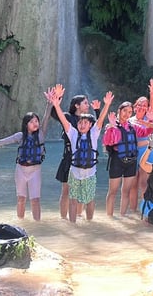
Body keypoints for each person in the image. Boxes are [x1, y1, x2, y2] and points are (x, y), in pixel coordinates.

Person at [0, 89, 53, 220]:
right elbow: (1, 142)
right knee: (21, 199)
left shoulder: (41, 134)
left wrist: (50, 103)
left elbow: (47, 116)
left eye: (36, 121)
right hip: (21, 170)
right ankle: (20, 224)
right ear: (26, 124)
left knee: (35, 200)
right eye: (31, 121)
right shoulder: (20, 136)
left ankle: (37, 226)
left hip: (35, 171)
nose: (35, 123)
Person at [49, 84, 113, 223]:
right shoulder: (72, 131)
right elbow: (61, 118)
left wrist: (105, 106)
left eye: (85, 123)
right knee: (70, 196)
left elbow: (100, 122)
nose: (82, 125)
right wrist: (56, 102)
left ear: (89, 125)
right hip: (72, 166)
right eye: (80, 123)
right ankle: (68, 222)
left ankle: (87, 222)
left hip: (89, 171)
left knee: (88, 199)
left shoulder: (93, 133)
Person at [103, 101, 149, 217]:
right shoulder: (112, 126)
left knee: (126, 191)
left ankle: (122, 216)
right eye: (124, 111)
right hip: (117, 161)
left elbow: (146, 132)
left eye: (129, 112)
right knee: (113, 191)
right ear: (119, 111)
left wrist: (151, 121)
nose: (127, 114)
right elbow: (108, 141)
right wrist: (112, 127)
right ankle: (109, 217)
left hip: (131, 162)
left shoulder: (133, 126)